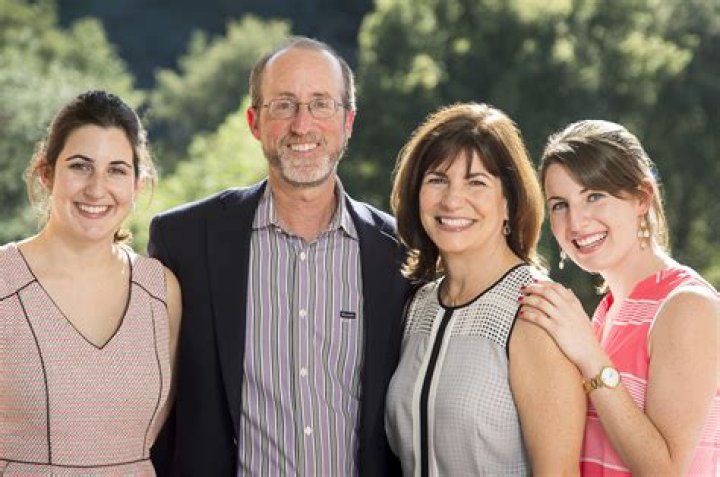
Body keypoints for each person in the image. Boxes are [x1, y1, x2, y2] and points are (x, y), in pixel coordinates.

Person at [148, 36, 412, 476]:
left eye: (321, 104)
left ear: (348, 121)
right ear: (254, 122)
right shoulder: (185, 241)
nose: (302, 125)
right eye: (284, 105)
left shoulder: (399, 253)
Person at [385, 102, 586, 476]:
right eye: (437, 179)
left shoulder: (535, 312)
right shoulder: (419, 305)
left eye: (476, 182)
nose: (452, 200)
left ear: (509, 202)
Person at [520, 119, 719, 475]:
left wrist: (590, 357)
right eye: (560, 204)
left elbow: (665, 471)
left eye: (594, 196)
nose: (576, 222)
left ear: (642, 197)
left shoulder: (687, 306)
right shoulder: (607, 312)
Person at [0, 90, 182, 475]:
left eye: (117, 170)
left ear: (136, 184)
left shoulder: (160, 292)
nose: (97, 189)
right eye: (81, 166)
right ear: (46, 174)